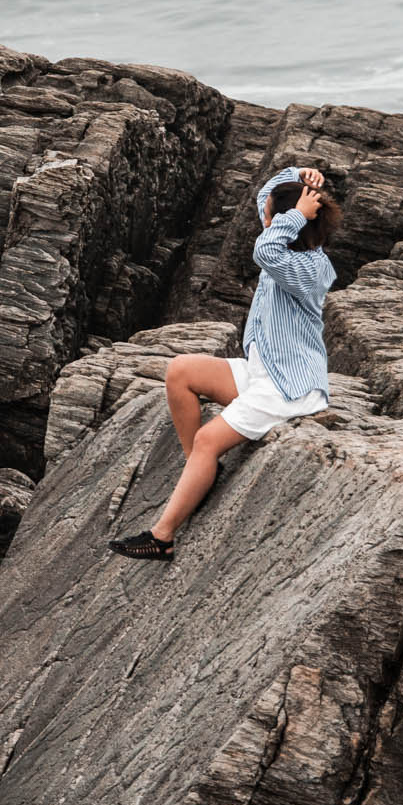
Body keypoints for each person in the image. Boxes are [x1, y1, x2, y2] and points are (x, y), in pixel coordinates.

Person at [109, 165, 341, 561]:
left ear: (293, 221)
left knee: (207, 439)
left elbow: (264, 247)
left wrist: (296, 212)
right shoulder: (290, 245)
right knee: (181, 370)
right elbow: (263, 202)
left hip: (289, 387)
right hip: (263, 369)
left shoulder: (306, 268)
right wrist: (295, 174)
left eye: (274, 215)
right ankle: (200, 471)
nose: (265, 219)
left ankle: (162, 537)